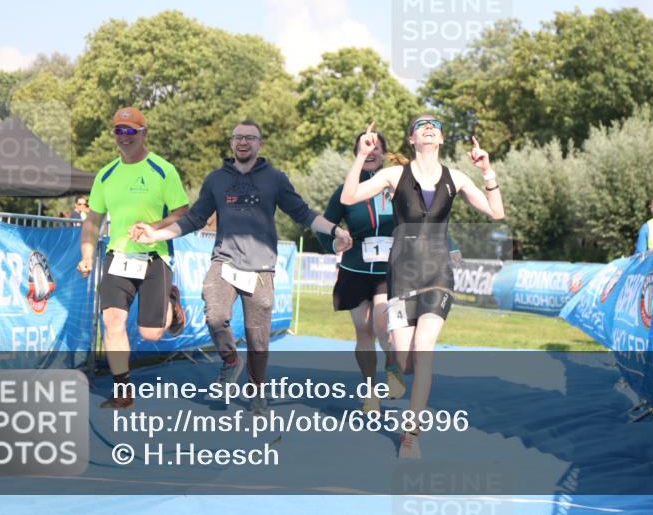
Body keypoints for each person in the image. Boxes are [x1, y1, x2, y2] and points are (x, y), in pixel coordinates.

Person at [132, 119, 352, 414]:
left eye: (250, 137)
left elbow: (303, 213)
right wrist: (156, 234)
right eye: (238, 137)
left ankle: (257, 391)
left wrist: (335, 230)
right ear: (231, 143)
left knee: (258, 338)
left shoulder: (275, 179)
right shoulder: (216, 180)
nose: (244, 142)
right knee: (215, 316)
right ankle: (230, 359)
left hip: (261, 269)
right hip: (224, 262)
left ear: (261, 144)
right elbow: (194, 219)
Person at [340, 115, 505, 459]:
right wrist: (361, 155)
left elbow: (496, 211)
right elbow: (349, 196)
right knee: (407, 360)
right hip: (401, 275)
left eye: (435, 125)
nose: (428, 127)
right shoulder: (393, 174)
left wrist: (487, 172)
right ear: (411, 139)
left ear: (442, 139)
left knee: (425, 350)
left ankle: (411, 434)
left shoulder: (456, 178)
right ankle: (396, 370)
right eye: (420, 125)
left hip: (438, 275)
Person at [77, 107, 190, 409]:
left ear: (144, 133)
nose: (124, 137)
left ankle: (171, 302)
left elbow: (182, 211)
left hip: (155, 256)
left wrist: (154, 228)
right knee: (112, 320)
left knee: (151, 334)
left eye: (130, 131)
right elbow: (93, 220)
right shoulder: (106, 174)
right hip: (119, 257)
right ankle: (123, 391)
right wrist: (87, 255)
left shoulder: (163, 170)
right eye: (118, 131)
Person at [319, 130, 406, 414]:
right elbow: (325, 225)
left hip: (389, 269)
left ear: (384, 153)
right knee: (363, 330)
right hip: (355, 268)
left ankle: (392, 367)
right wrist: (334, 241)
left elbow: (426, 218)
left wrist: (447, 247)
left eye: (376, 148)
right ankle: (370, 391)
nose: (370, 153)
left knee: (383, 325)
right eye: (364, 148)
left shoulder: (398, 185)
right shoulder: (346, 189)